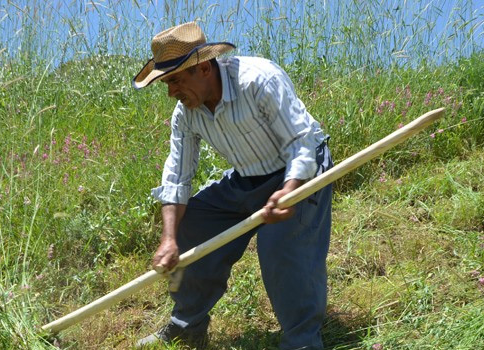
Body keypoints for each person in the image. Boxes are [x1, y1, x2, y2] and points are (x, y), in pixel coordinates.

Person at [132, 22, 333, 350]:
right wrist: (169, 239)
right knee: (189, 225)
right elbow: (177, 176)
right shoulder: (186, 114)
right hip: (247, 177)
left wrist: (289, 190)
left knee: (280, 248)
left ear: (204, 68)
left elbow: (301, 143)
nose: (171, 93)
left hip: (303, 173)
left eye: (175, 81)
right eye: (167, 83)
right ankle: (188, 326)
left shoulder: (259, 79)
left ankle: (302, 341)